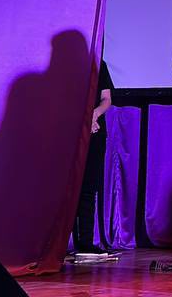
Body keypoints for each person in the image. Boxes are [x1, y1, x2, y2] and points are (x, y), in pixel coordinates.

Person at [72, 58, 113, 255]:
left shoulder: (98, 64)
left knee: (89, 187)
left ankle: (86, 242)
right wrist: (82, 118)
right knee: (68, 187)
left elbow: (106, 99)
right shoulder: (66, 64)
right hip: (69, 129)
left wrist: (93, 115)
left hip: (95, 131)